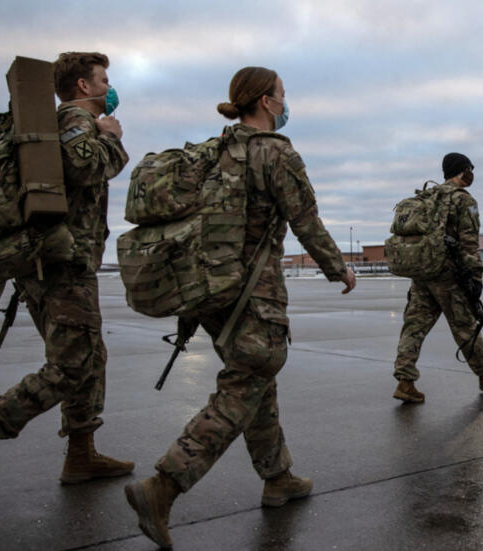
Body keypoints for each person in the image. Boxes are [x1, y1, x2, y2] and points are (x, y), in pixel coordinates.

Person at [123, 66, 356, 548]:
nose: (286, 103)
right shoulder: (275, 152)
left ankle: (278, 477)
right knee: (245, 384)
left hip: (211, 289)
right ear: (266, 102)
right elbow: (306, 221)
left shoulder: (217, 149)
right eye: (282, 95)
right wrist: (340, 268)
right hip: (253, 291)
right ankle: (163, 486)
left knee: (256, 381)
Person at [0, 52, 133, 506]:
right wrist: (112, 138)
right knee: (71, 366)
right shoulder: (75, 118)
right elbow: (83, 166)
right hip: (61, 264)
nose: (109, 87)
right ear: (83, 86)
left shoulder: (60, 121)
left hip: (50, 260)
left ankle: (81, 454)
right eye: (103, 79)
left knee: (89, 358)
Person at [391, 153, 483, 403]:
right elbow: (469, 242)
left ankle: (405, 380)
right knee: (464, 325)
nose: (472, 173)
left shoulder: (427, 196)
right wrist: (475, 276)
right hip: (448, 274)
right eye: (470, 168)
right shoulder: (463, 200)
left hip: (423, 271)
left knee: (414, 325)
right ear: (461, 170)